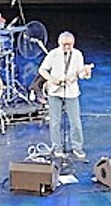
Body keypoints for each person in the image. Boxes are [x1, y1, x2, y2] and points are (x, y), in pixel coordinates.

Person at [37, 30, 92, 159]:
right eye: (64, 45)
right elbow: (42, 69)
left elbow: (81, 74)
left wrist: (87, 72)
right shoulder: (53, 54)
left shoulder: (78, 55)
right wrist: (51, 79)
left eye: (70, 44)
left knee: (75, 122)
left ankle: (77, 148)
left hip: (71, 92)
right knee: (55, 122)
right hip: (55, 92)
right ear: (59, 43)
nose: (67, 47)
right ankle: (57, 148)